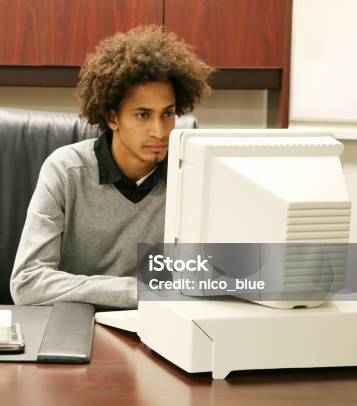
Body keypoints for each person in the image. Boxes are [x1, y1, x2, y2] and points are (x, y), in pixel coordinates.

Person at [11, 25, 212, 308]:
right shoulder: (66, 171)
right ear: (112, 118)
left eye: (167, 114)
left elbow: (215, 277)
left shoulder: (190, 175)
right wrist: (138, 291)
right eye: (142, 115)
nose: (159, 130)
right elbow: (27, 283)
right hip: (74, 328)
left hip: (158, 331)